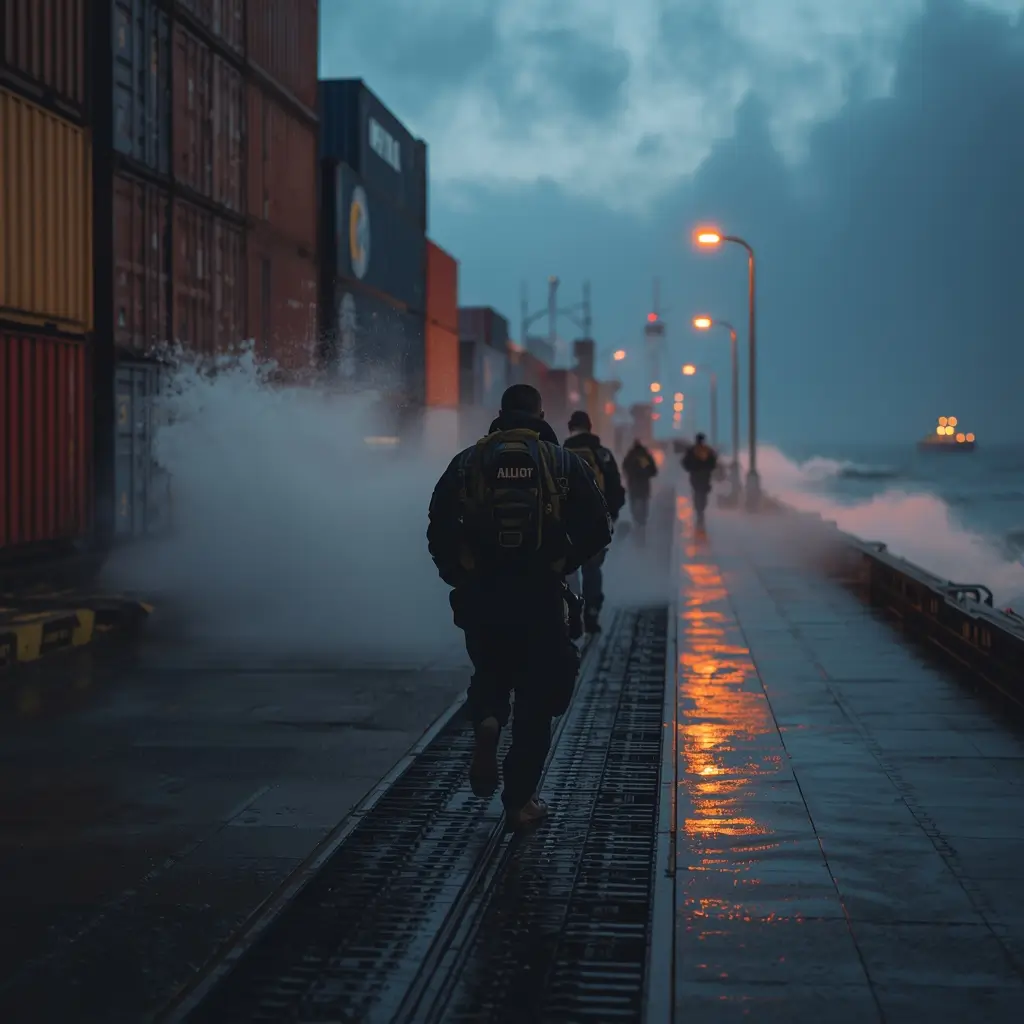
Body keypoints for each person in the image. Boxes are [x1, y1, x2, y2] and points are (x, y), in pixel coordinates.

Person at [427, 384, 612, 831]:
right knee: (538, 694)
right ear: (541, 413)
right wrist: (562, 561)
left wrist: (460, 574)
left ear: (502, 414)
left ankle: (488, 720)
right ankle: (518, 801)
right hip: (540, 594)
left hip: (484, 593)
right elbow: (598, 528)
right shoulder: (562, 461)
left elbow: (438, 526)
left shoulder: (468, 461)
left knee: (490, 670)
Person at [562, 410, 626, 635]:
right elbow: (616, 488)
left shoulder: (560, 453)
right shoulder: (602, 454)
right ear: (590, 427)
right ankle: (591, 613)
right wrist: (612, 515)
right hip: (596, 522)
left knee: (569, 571)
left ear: (570, 428)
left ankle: (572, 613)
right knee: (592, 569)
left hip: (566, 523)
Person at [621, 439, 659, 545]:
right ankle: (641, 525)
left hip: (633, 486)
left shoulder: (630, 456)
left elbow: (625, 468)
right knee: (643, 505)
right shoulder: (646, 456)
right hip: (644, 486)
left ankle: (637, 524)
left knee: (634, 505)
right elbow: (654, 471)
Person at [682, 432, 719, 529]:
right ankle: (700, 511)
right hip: (705, 477)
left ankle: (699, 511)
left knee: (697, 493)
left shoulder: (692, 451)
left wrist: (692, 468)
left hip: (696, 476)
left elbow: (685, 463)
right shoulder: (708, 451)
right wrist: (707, 468)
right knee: (702, 494)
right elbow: (713, 463)